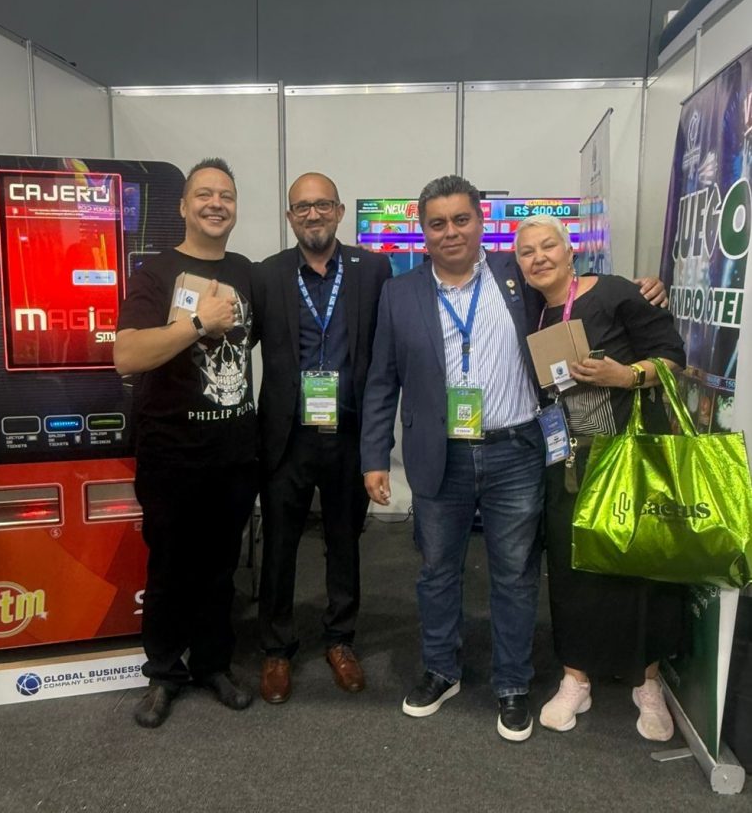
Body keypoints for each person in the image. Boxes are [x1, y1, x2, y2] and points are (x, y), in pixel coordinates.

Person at [360, 174, 666, 742]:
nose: (450, 232)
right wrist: (374, 455)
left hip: (518, 451)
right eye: (437, 223)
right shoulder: (399, 294)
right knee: (436, 571)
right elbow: (382, 379)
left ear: (481, 223)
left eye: (461, 219)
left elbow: (581, 289)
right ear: (422, 231)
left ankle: (512, 682)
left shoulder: (517, 275)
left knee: (515, 573)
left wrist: (644, 288)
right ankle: (441, 670)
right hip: (439, 454)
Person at [514, 214, 686, 742]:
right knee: (571, 569)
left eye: (548, 246)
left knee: (640, 564)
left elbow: (674, 360)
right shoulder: (530, 311)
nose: (538, 257)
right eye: (526, 252)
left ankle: (646, 681)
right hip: (566, 461)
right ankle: (576, 678)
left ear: (571, 252)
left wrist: (625, 375)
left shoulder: (615, 293)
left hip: (630, 457)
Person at [114, 158, 258, 728]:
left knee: (221, 567)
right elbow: (126, 355)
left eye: (226, 195)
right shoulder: (155, 273)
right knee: (170, 566)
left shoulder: (246, 272)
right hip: (171, 452)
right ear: (183, 206)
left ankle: (214, 665)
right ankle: (164, 673)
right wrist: (199, 324)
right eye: (204, 194)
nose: (216, 203)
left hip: (233, 453)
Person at [253, 172, 391, 703]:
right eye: (302, 207)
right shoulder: (267, 275)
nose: (313, 214)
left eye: (323, 205)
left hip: (349, 432)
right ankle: (276, 648)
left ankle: (340, 639)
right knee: (279, 545)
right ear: (290, 216)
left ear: (339, 211)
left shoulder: (372, 270)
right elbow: (238, 342)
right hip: (286, 435)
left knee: (344, 540)